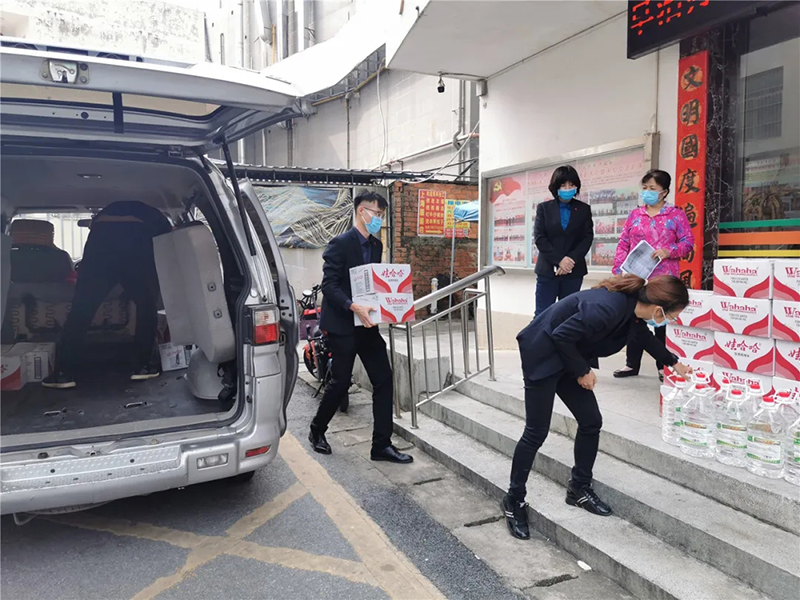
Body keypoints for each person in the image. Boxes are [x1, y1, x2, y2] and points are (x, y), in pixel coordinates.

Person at [502, 274, 691, 540]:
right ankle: (514, 500)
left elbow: (644, 338)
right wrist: (582, 371)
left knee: (591, 421)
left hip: (568, 355)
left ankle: (579, 488)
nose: (669, 322)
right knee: (536, 432)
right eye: (671, 317)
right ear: (659, 309)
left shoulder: (632, 312)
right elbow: (561, 335)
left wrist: (674, 363)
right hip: (543, 353)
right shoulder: (609, 307)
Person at [308, 190, 413, 464]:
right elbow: (329, 286)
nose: (378, 218)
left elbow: (373, 283)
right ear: (360, 211)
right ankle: (317, 430)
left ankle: (381, 445)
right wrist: (353, 306)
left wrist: (391, 306)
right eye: (375, 213)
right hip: (343, 324)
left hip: (367, 325)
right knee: (341, 382)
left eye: (382, 214)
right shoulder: (340, 243)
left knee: (384, 379)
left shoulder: (376, 246)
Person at [42, 201, 172, 389]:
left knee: (82, 308)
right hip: (137, 239)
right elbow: (166, 245)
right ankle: (143, 366)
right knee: (146, 305)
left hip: (101, 239)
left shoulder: (106, 213)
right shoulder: (156, 216)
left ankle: (63, 373)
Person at [612, 170, 693, 382]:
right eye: (645, 188)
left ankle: (662, 365)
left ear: (664, 192)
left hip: (663, 277)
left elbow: (688, 243)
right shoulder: (635, 215)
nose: (647, 192)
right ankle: (632, 363)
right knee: (635, 317)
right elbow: (623, 243)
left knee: (661, 320)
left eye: (652, 189)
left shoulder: (676, 215)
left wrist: (669, 251)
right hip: (636, 275)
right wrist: (618, 270)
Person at [533, 165, 593, 316]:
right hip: (548, 270)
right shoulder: (544, 208)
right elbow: (540, 238)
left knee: (568, 316)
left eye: (571, 185)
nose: (567, 189)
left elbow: (587, 238)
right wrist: (559, 260)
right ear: (556, 187)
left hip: (574, 271)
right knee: (542, 315)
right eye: (563, 185)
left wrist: (570, 260)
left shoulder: (584, 209)